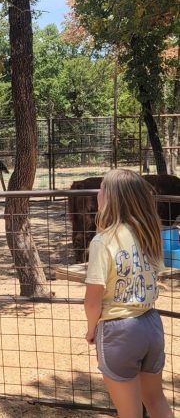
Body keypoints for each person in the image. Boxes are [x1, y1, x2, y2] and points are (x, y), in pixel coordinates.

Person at [84, 169, 173, 418]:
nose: (98, 193)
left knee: (129, 413)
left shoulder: (102, 241)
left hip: (118, 331)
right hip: (150, 325)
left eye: (102, 188)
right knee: (156, 401)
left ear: (111, 197)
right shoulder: (148, 234)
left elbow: (92, 301)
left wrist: (92, 329)